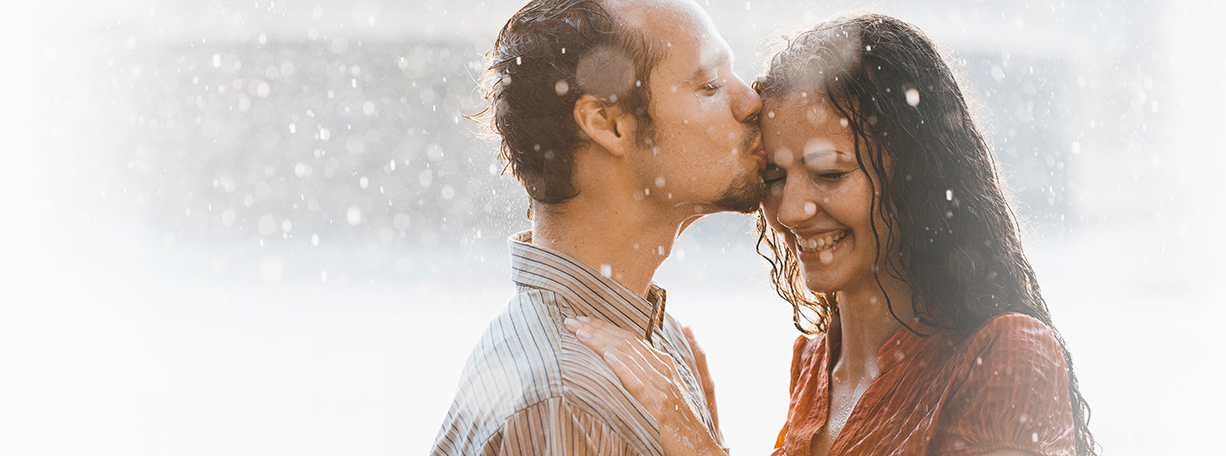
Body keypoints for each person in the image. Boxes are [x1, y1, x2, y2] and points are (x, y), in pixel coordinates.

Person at [564, 14, 1100, 456]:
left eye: (830, 173)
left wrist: (696, 444)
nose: (791, 210)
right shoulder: (814, 362)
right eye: (774, 177)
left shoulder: (1009, 356)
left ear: (912, 176)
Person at [428, 0, 766, 454]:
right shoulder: (569, 401)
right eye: (709, 85)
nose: (750, 101)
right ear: (607, 123)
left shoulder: (643, 347)